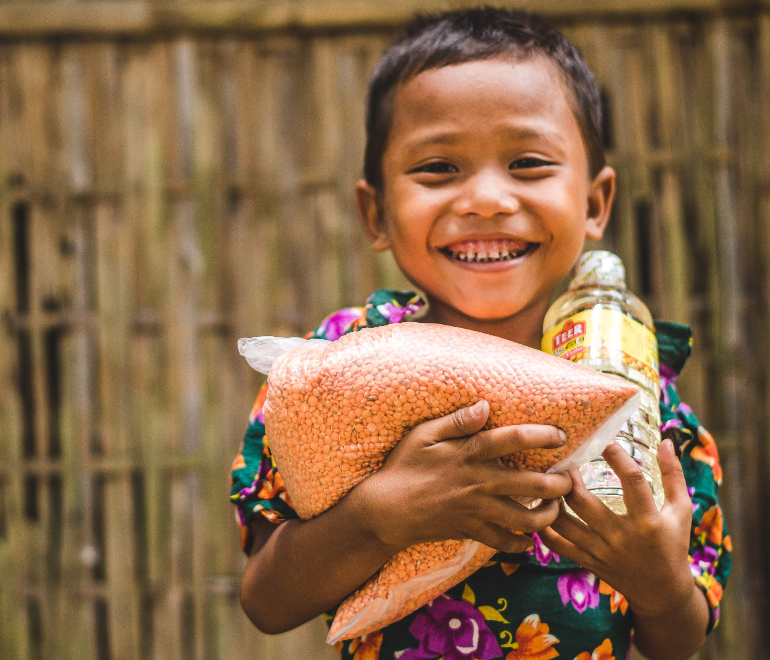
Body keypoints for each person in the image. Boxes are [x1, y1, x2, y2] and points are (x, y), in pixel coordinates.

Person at [228, 7, 731, 660]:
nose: (487, 199)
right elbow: (266, 603)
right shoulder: (339, 368)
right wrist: (376, 518)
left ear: (595, 203)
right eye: (439, 169)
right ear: (375, 212)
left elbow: (680, 639)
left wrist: (658, 585)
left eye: (527, 163)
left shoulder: (635, 390)